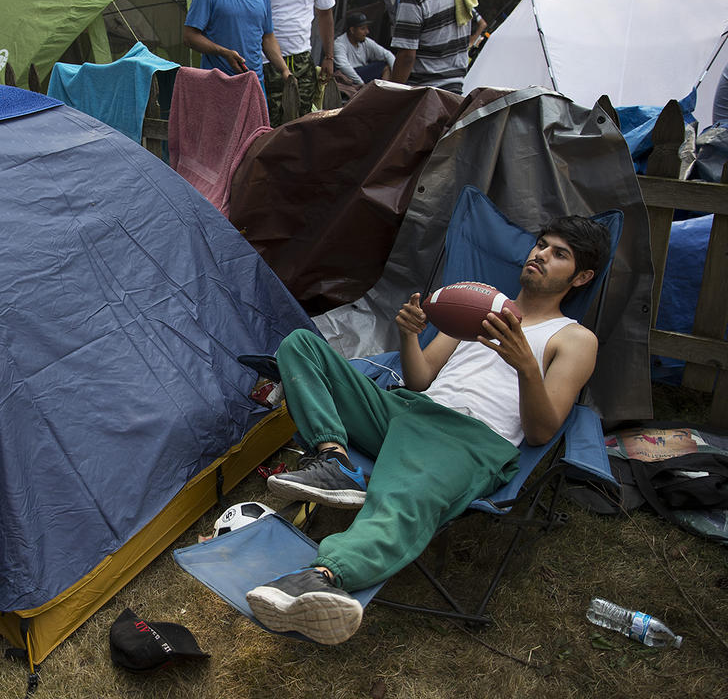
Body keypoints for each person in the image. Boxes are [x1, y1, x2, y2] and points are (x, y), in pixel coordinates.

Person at [244, 216, 611, 645]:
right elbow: (420, 380)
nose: (541, 255)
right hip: (409, 409)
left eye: (558, 254)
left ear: (582, 276)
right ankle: (334, 460)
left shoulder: (573, 338)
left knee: (406, 495)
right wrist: (408, 337)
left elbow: (541, 432)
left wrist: (526, 365)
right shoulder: (480, 308)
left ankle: (323, 577)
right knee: (301, 345)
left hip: (468, 440)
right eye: (542, 245)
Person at [334, 11, 395, 84]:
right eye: (363, 29)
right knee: (383, 67)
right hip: (349, 75)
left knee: (386, 63)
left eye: (367, 28)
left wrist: (396, 75)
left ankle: (383, 91)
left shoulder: (366, 42)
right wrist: (360, 83)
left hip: (361, 73)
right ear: (352, 30)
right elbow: (344, 67)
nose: (367, 32)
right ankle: (382, 92)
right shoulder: (339, 43)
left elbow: (387, 54)